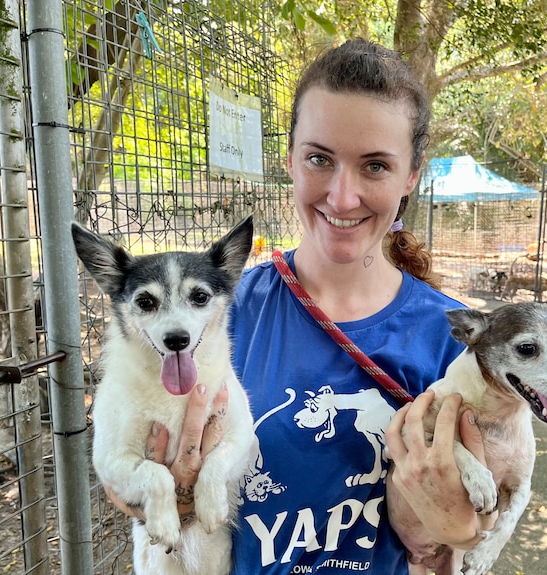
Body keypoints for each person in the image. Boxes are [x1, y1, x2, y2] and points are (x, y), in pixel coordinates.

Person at [114, 38, 488, 574]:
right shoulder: (214, 314)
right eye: (319, 158)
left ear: (412, 175)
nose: (341, 196)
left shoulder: (451, 336)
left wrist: (457, 528)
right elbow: (123, 478)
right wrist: (166, 494)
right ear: (288, 159)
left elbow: (470, 529)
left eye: (376, 166)